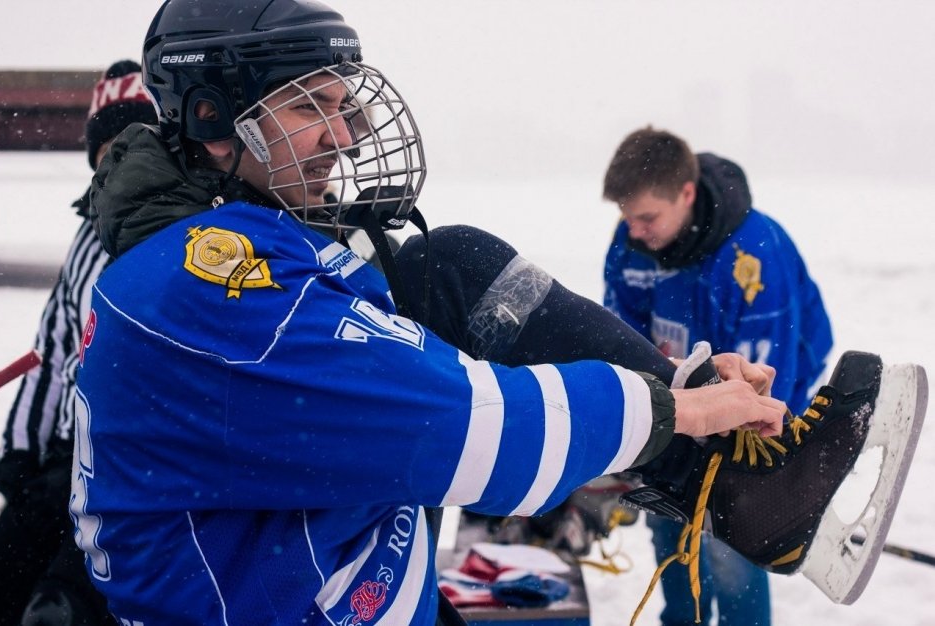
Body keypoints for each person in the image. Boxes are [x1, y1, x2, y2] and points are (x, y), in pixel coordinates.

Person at [73, 1, 925, 624]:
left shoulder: (256, 238)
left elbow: (449, 334)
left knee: (447, 263)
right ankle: (739, 489)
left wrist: (678, 378)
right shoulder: (213, 283)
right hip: (302, 606)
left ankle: (739, 486)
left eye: (343, 105)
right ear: (213, 117)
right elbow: (462, 430)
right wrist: (675, 411)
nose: (340, 134)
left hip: (345, 578)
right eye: (308, 106)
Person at [601, 126, 834, 626]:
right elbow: (619, 338)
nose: (633, 231)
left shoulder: (754, 257)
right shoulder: (632, 243)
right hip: (681, 398)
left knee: (732, 542)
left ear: (685, 194)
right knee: (670, 522)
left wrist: (755, 465)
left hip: (761, 397)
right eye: (626, 217)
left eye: (646, 218)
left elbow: (772, 380)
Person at [0, 61, 158, 625]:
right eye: (109, 143)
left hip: (132, 461)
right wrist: (19, 448)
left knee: (62, 603)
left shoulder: (178, 230)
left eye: (138, 140)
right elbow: (51, 348)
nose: (119, 157)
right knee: (5, 564)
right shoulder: (86, 235)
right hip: (64, 454)